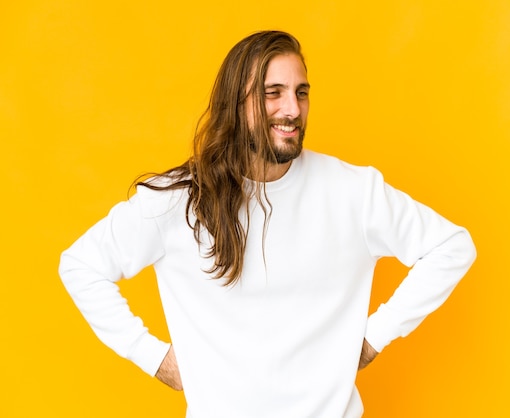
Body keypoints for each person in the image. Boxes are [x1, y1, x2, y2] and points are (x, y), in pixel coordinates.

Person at [59, 30, 476, 418]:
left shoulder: (354, 191)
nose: (292, 109)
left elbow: (453, 246)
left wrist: (372, 339)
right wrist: (154, 358)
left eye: (301, 92)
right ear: (234, 104)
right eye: (272, 93)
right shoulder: (179, 198)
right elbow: (81, 265)